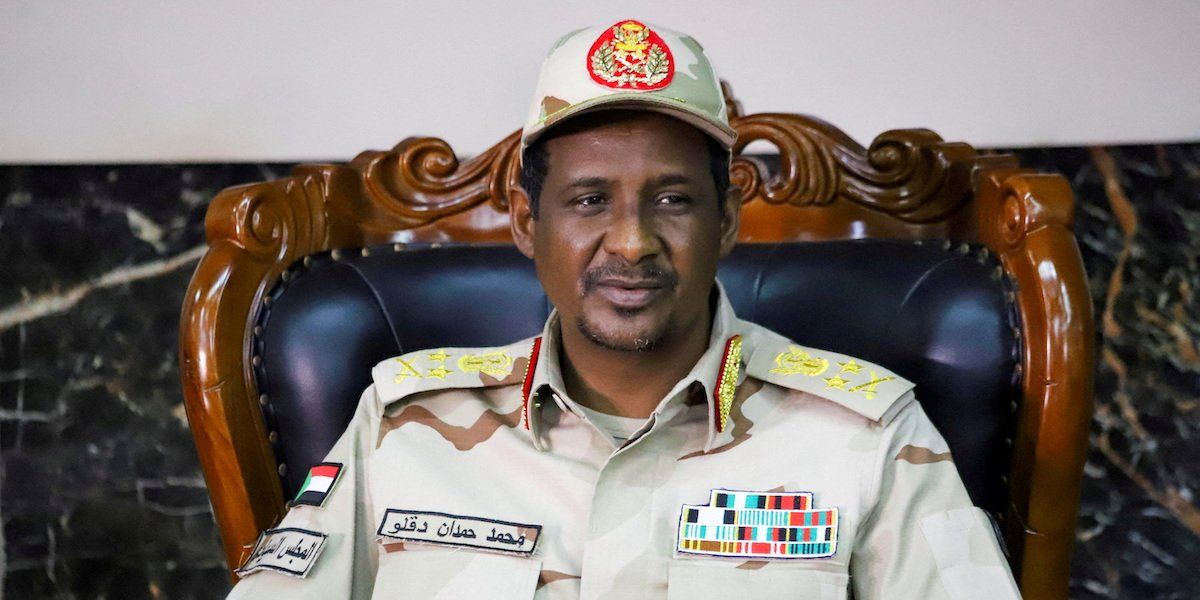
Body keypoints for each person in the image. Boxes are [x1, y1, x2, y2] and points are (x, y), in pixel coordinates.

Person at [228, 19, 1021, 599]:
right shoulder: (402, 422)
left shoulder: (869, 434)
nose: (633, 242)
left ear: (728, 220)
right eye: (589, 200)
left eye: (673, 199)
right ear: (527, 223)